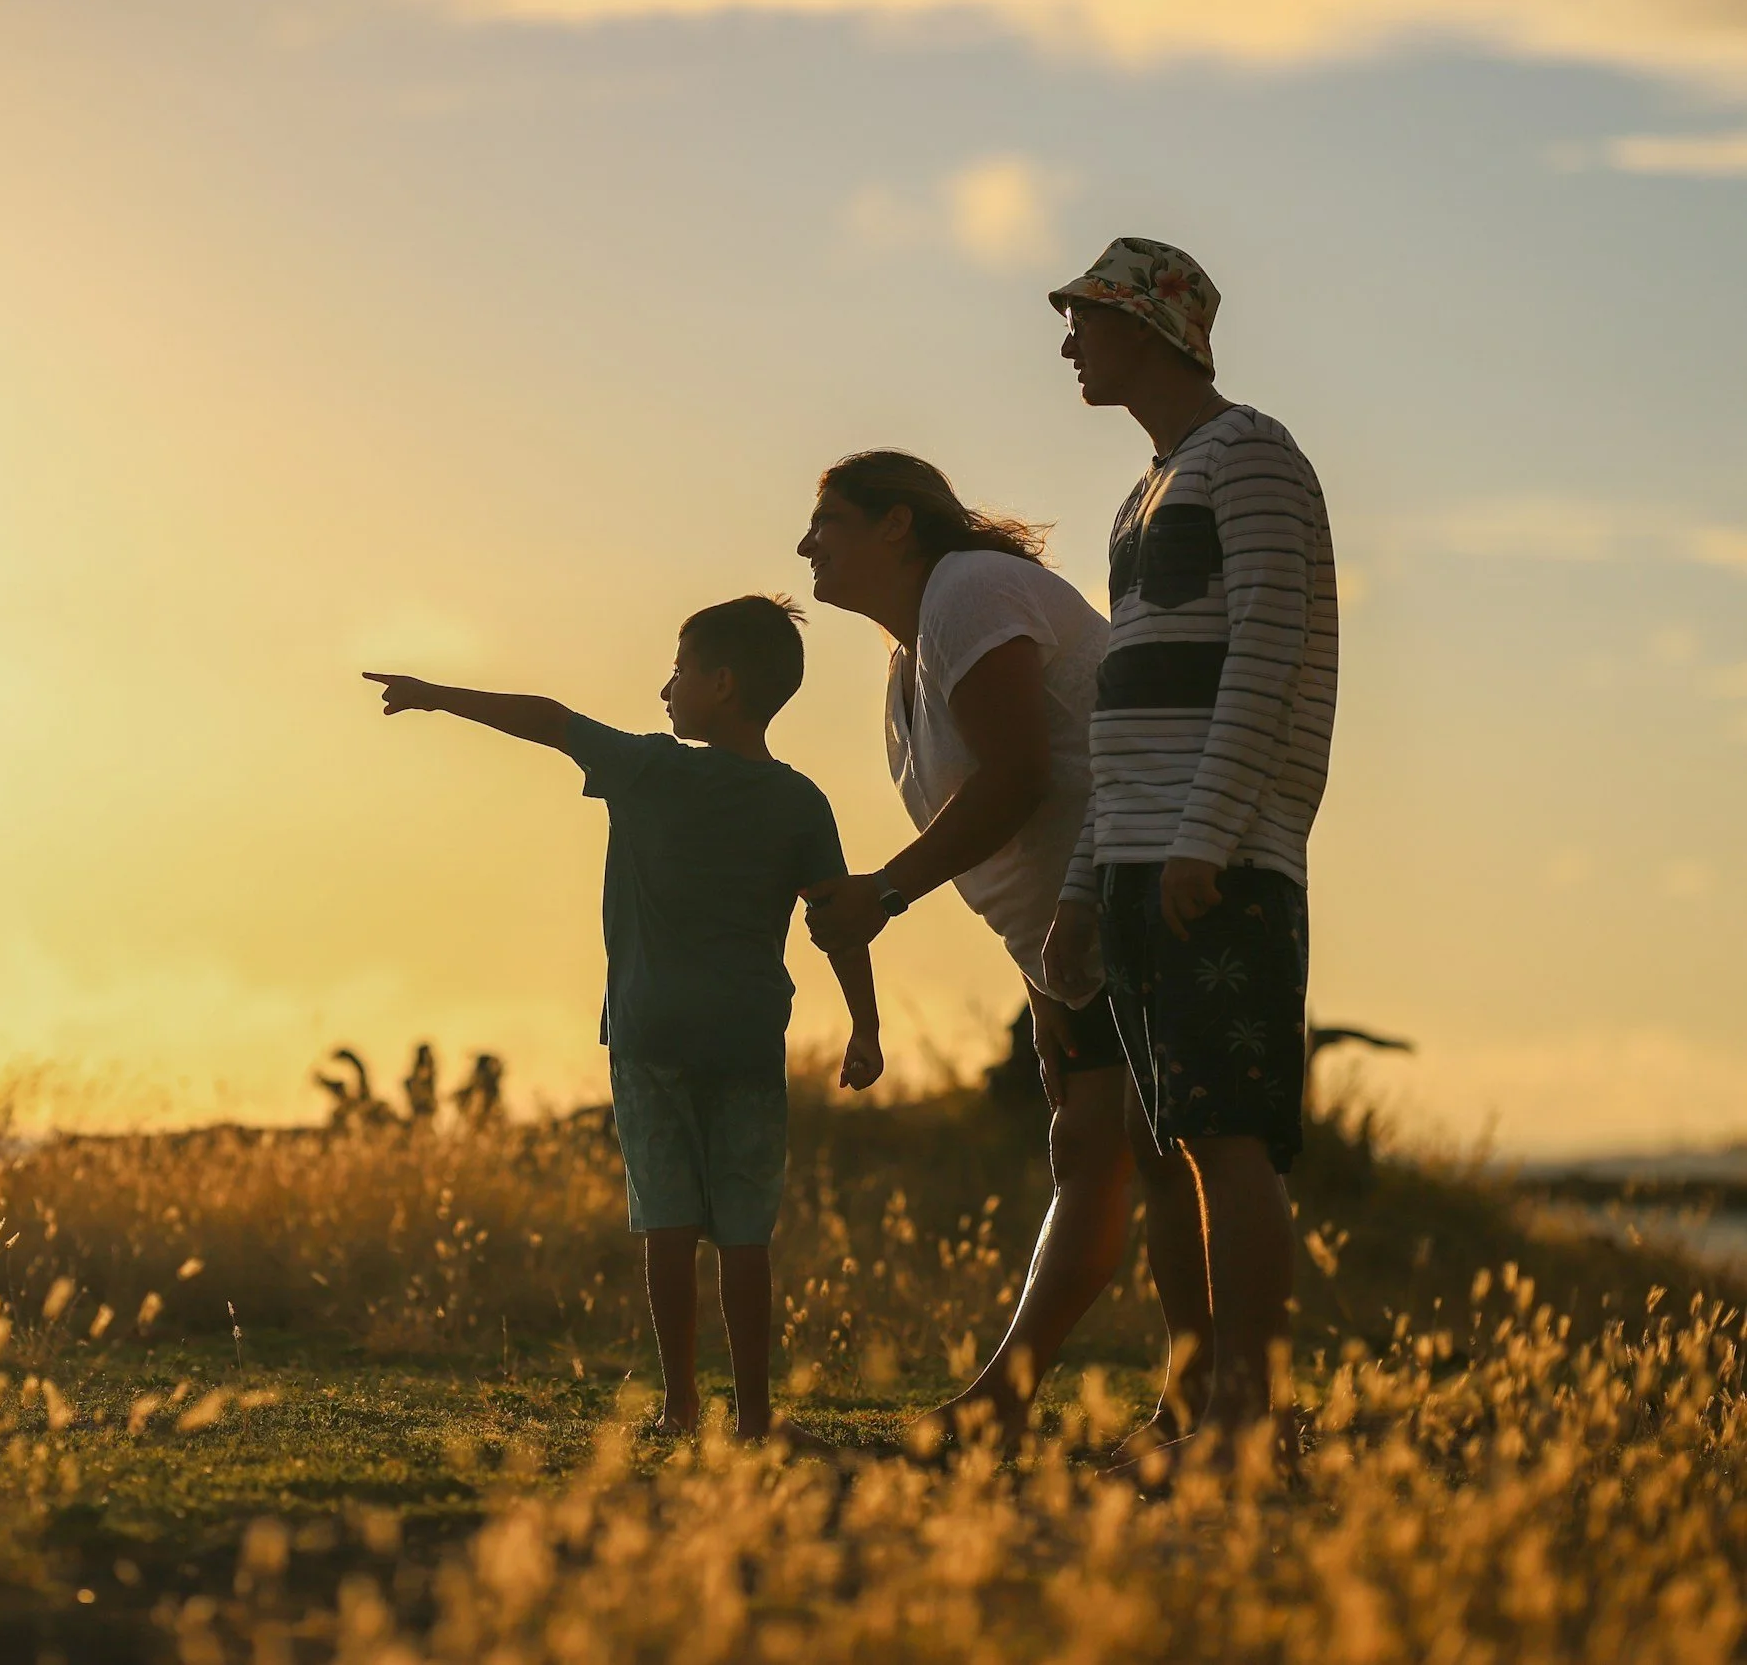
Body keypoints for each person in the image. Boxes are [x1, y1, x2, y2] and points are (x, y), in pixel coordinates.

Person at [365, 596, 883, 1443]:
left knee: (668, 1224)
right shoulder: (801, 802)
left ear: (721, 683)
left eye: (679, 670)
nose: (665, 687)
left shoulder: (649, 768)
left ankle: (681, 1407)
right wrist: (865, 1027)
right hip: (749, 1038)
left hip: (649, 1035)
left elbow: (548, 720)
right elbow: (837, 921)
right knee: (745, 1235)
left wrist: (437, 694)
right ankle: (754, 1417)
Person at [795, 451, 1212, 1451]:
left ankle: (1202, 1404)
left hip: (1144, 887)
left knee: (1162, 1153)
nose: (808, 542)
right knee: (1093, 1153)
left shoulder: (970, 593)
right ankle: (1030, 1401)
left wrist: (885, 891)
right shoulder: (918, 647)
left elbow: (1023, 775)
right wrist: (1041, 981)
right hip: (1075, 932)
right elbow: (1033, 797)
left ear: (897, 524)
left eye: (829, 520)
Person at [1041, 238, 1339, 1462]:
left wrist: (1207, 835)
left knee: (1226, 1135)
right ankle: (1190, 1402)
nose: (1068, 342)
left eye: (1087, 319)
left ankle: (1247, 1425)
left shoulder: (1254, 457)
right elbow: (1126, 702)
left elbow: (1271, 657)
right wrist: (1080, 883)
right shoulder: (1144, 490)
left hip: (1214, 858)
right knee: (1162, 1146)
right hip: (1134, 861)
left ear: (1155, 333)